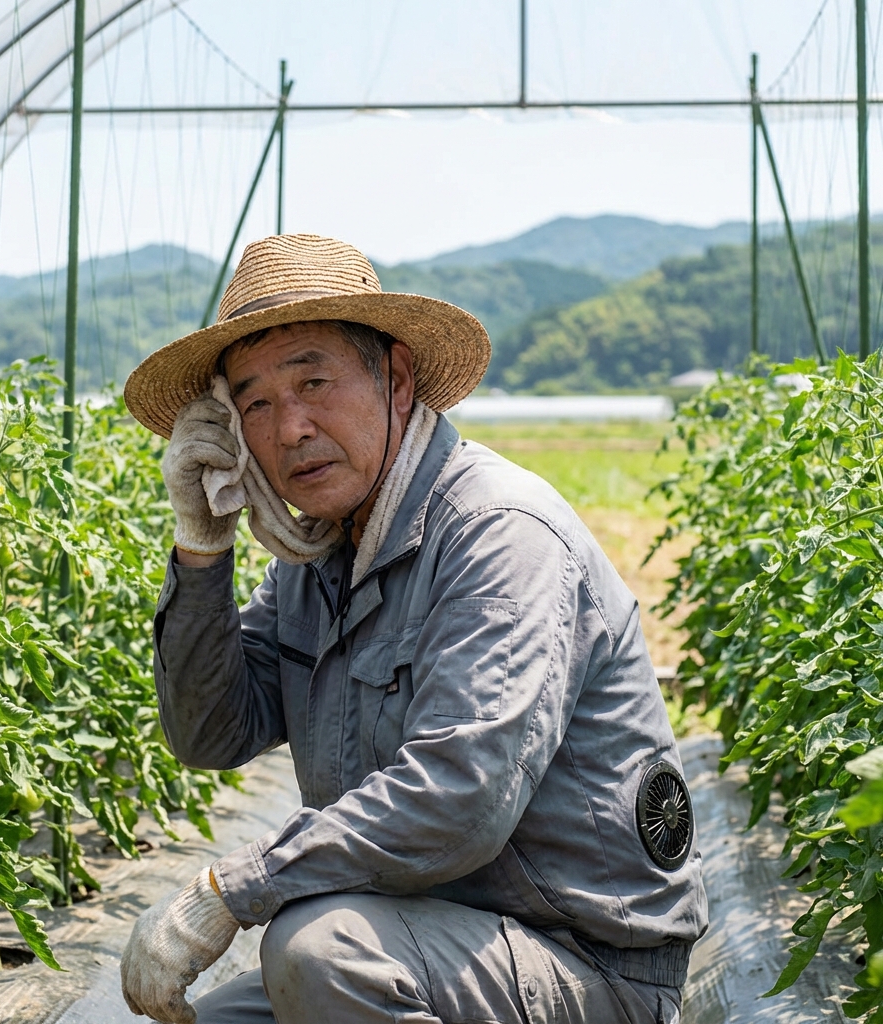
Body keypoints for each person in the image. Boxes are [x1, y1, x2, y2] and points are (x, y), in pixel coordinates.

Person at [119, 233, 707, 1024]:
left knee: (314, 950)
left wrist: (232, 890)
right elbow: (211, 735)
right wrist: (201, 545)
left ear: (396, 380)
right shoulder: (316, 562)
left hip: (582, 961)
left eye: (314, 381)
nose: (289, 428)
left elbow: (460, 797)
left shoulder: (499, 532)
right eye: (254, 403)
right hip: (419, 934)